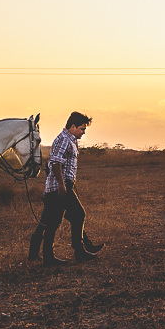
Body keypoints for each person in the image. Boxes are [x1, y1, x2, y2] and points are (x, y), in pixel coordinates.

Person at [28, 111, 104, 265]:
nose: (83, 132)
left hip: (63, 185)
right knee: (76, 215)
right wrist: (62, 184)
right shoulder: (63, 139)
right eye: (82, 129)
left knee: (56, 221)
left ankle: (54, 255)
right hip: (59, 187)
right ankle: (78, 251)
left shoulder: (70, 139)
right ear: (73, 126)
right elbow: (55, 162)